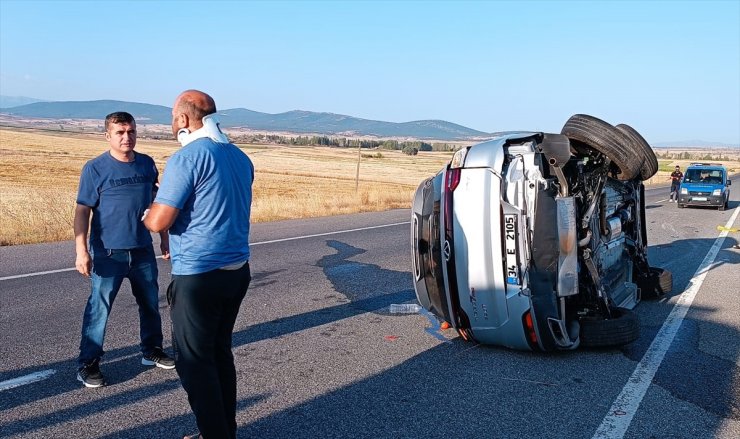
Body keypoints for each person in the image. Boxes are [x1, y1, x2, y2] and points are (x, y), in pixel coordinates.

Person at [143, 90, 254, 439]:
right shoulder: (240, 156)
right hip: (237, 270)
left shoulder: (187, 157)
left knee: (194, 363)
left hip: (199, 274)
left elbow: (160, 221)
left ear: (184, 120)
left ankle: (214, 434)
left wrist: (148, 215)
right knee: (220, 353)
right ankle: (224, 431)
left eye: (173, 116)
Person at [74, 111, 175, 388]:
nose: (126, 137)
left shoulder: (146, 164)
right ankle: (88, 363)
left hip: (142, 249)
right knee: (99, 309)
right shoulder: (95, 168)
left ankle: (151, 350)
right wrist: (81, 251)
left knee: (150, 304)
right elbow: (83, 211)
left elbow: (158, 203)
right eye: (120, 132)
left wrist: (164, 238)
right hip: (108, 252)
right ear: (108, 135)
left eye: (130, 131)